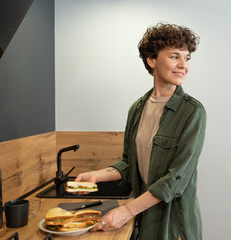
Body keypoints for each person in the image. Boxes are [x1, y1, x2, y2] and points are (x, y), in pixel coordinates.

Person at [74, 23, 206, 240]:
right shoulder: (137, 109)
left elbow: (176, 180)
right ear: (152, 60)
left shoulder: (193, 111)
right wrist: (94, 176)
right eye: (175, 56)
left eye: (187, 58)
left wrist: (126, 211)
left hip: (174, 222)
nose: (184, 65)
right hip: (144, 214)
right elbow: (129, 164)